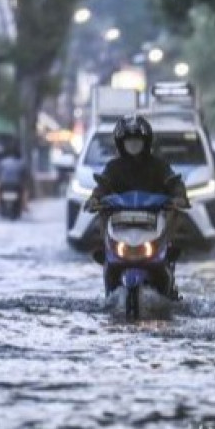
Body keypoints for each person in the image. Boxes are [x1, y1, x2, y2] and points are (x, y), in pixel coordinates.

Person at [85, 115, 190, 297]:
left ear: (146, 142)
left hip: (153, 219)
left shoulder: (159, 165)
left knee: (176, 212)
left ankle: (166, 247)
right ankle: (107, 249)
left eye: (137, 140)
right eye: (129, 140)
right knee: (101, 213)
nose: (133, 144)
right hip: (120, 220)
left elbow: (174, 183)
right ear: (121, 143)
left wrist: (179, 197)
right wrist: (95, 199)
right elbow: (102, 187)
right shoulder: (113, 167)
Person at [0, 147, 27, 215]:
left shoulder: (3, 162)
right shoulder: (21, 163)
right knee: (24, 192)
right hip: (16, 183)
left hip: (4, 183)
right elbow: (24, 174)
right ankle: (24, 206)